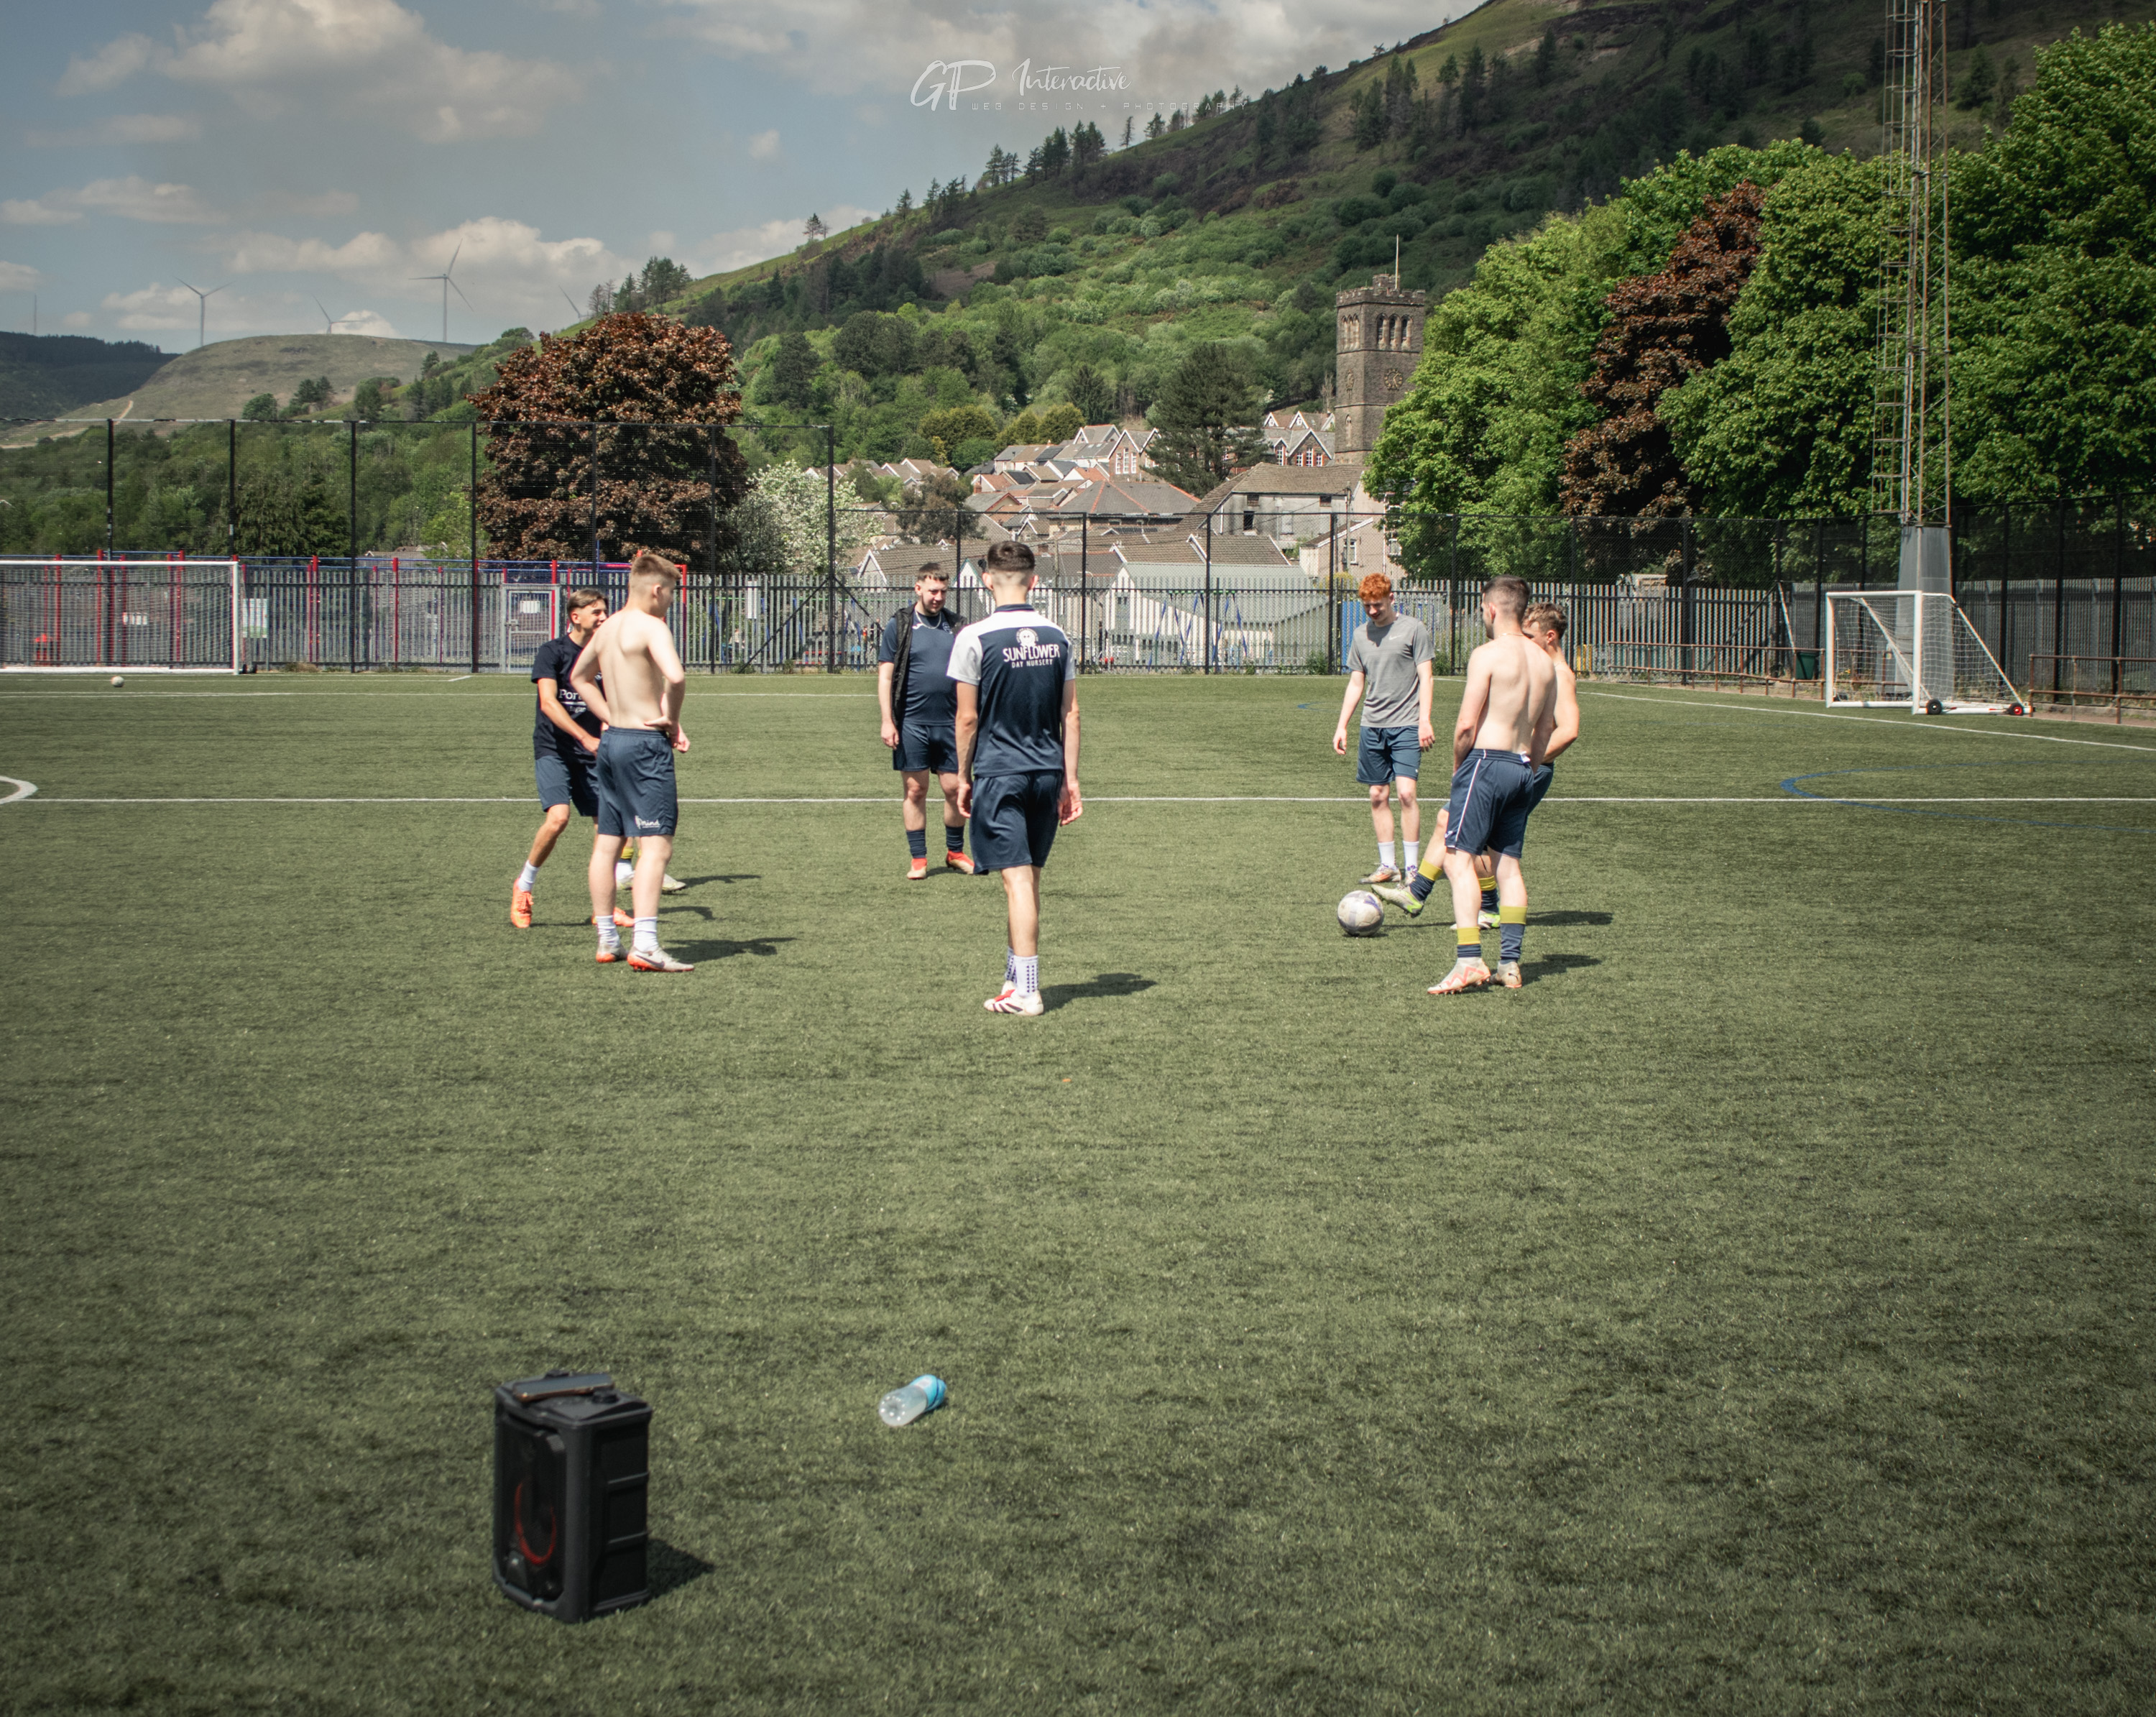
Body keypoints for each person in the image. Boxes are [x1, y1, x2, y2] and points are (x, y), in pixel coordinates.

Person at [1378, 599, 1581, 926]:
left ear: (1550, 637)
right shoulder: (1537, 666)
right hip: (1513, 762)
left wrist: (1529, 759)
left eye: (1530, 636)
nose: (1523, 642)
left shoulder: (1559, 674)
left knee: (1475, 835)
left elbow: (1569, 730)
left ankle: (1471, 905)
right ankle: (1420, 894)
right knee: (1450, 821)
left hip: (1526, 766)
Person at [949, 540, 1081, 1017]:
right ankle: (1013, 979)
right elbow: (1072, 714)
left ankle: (1028, 991)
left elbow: (966, 720)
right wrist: (1072, 780)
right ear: (1034, 580)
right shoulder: (1058, 634)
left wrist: (963, 776)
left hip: (1001, 773)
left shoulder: (974, 637)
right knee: (1027, 879)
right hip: (1047, 774)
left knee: (1018, 881)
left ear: (986, 579)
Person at [1424, 576, 1555, 995]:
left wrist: (1459, 765)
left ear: (1493, 609)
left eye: (1482, 609)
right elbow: (1544, 732)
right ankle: (1510, 964)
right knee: (1508, 867)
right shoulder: (1545, 662)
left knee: (1457, 860)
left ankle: (1469, 961)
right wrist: (1528, 769)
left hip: (1486, 762)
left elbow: (1466, 724)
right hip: (1524, 768)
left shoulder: (1487, 654)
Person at [570, 551, 694, 973]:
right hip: (643, 746)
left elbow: (579, 679)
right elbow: (676, 677)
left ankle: (608, 939)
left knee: (608, 842)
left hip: (613, 743)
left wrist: (608, 718)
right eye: (672, 593)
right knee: (655, 846)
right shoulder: (650, 626)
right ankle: (645, 943)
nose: (672, 602)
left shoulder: (607, 629)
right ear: (658, 590)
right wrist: (672, 720)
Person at [512, 586, 608, 929]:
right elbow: (550, 703)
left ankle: (604, 910)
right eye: (596, 612)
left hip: (592, 752)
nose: (603, 617)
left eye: (604, 611)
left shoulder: (605, 656)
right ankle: (523, 887)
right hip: (555, 748)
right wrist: (585, 736)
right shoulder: (552, 652)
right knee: (558, 818)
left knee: (608, 829)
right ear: (575, 616)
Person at [1332, 572, 1434, 885]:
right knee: (1378, 794)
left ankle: (1413, 867)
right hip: (1372, 726)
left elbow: (1426, 677)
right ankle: (1389, 866)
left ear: (1391, 598)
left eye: (1377, 605)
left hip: (1406, 725)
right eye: (1367, 606)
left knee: (1405, 794)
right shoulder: (1361, 635)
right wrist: (1342, 726)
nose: (1373, 611)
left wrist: (1425, 720)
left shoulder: (1414, 629)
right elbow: (1356, 682)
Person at [877, 561, 977, 879]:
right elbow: (885, 676)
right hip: (912, 724)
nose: (938, 597)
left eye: (943, 592)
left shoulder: (958, 625)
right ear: (918, 588)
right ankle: (918, 859)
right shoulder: (901, 624)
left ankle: (955, 853)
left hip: (951, 724)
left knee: (954, 788)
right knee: (915, 791)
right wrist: (887, 721)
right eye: (933, 591)